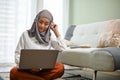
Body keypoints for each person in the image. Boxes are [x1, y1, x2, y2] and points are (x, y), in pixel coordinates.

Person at [10, 9, 67, 80]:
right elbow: (17, 54)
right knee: (13, 72)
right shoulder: (25, 35)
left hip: (43, 70)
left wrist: (56, 32)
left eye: (46, 24)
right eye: (40, 22)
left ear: (50, 25)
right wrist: (30, 67)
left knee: (60, 67)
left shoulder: (50, 36)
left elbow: (64, 49)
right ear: (36, 21)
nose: (42, 26)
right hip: (28, 70)